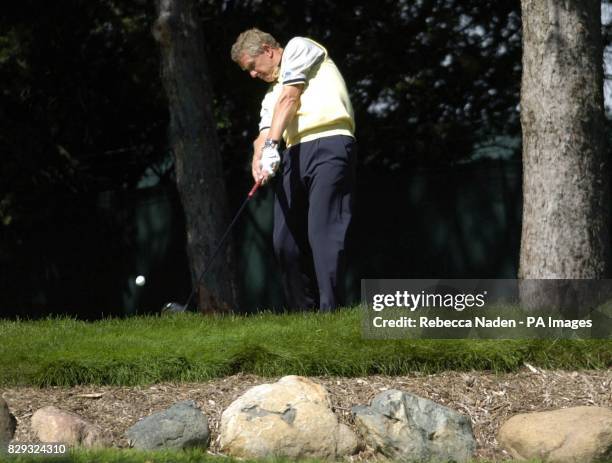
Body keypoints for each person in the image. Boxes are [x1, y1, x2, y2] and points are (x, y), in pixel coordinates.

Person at [231, 28, 356, 312]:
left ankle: (331, 312)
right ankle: (304, 318)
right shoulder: (269, 95)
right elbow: (262, 134)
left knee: (323, 232)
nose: (251, 74)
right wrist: (259, 158)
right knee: (284, 242)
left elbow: (290, 98)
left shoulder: (299, 47)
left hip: (330, 142)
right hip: (293, 155)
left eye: (252, 66)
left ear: (267, 49)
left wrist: (272, 144)